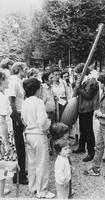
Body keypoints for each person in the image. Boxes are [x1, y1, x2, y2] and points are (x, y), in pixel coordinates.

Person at [21, 78, 55, 199]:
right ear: (38, 88)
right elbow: (42, 122)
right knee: (42, 163)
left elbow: (23, 120)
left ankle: (33, 186)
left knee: (32, 163)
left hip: (28, 134)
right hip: (39, 134)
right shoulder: (39, 102)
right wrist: (49, 123)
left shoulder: (25, 102)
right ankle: (42, 191)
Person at [73, 63, 99, 162]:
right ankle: (81, 147)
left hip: (87, 109)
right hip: (82, 109)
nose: (78, 76)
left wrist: (79, 88)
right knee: (83, 129)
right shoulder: (86, 80)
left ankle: (91, 152)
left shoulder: (92, 81)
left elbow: (88, 96)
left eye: (79, 73)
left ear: (83, 72)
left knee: (88, 131)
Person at [7, 62, 28, 185]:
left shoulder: (19, 81)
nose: (26, 71)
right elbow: (11, 102)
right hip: (16, 116)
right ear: (19, 69)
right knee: (18, 146)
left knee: (21, 146)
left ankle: (21, 171)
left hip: (20, 115)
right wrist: (18, 120)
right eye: (25, 69)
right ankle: (18, 176)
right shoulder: (13, 81)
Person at [0, 69, 18, 197]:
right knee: (3, 165)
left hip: (2, 134)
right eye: (6, 79)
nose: (8, 81)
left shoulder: (2, 95)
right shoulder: (2, 98)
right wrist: (6, 143)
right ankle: (0, 193)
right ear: (1, 80)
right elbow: (2, 122)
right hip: (3, 136)